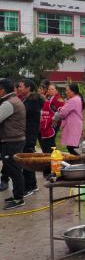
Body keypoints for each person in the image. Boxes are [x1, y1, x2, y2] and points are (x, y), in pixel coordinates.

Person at [0, 78, 27, 210]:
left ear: (3, 90)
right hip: (13, 139)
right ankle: (17, 195)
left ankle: (18, 199)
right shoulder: (13, 100)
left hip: (12, 140)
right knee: (13, 168)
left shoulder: (8, 103)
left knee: (14, 170)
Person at [15, 79, 44, 196]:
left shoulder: (33, 100)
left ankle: (31, 186)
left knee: (27, 160)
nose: (18, 88)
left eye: (21, 86)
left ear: (28, 88)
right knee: (26, 159)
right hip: (26, 133)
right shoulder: (27, 99)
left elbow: (23, 113)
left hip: (30, 134)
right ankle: (31, 184)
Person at [53, 84, 84, 156]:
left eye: (67, 90)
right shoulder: (78, 98)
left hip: (73, 125)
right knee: (73, 146)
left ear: (72, 91)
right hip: (75, 124)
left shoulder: (73, 100)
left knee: (72, 147)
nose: (66, 92)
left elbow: (63, 112)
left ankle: (78, 161)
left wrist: (59, 109)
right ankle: (78, 161)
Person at [39, 84, 65, 157]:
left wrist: (55, 119)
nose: (50, 91)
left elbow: (61, 110)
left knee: (50, 141)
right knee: (45, 141)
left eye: (52, 89)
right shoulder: (48, 98)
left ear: (56, 90)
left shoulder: (58, 99)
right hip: (45, 123)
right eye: (49, 89)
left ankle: (55, 158)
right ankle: (48, 158)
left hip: (52, 124)